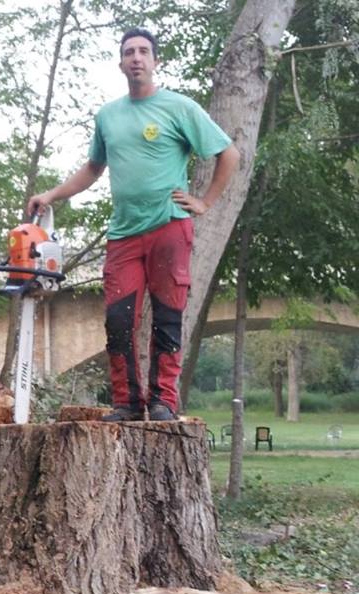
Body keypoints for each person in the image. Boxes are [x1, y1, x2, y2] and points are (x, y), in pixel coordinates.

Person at [27, 27, 239, 421]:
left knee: (168, 315)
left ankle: (163, 401)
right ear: (121, 63)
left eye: (144, 51)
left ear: (155, 61)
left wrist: (205, 201)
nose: (136, 58)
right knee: (119, 319)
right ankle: (127, 402)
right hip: (124, 233)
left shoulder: (180, 108)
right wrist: (52, 195)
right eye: (129, 52)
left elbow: (229, 154)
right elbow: (93, 167)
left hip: (170, 226)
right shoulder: (108, 116)